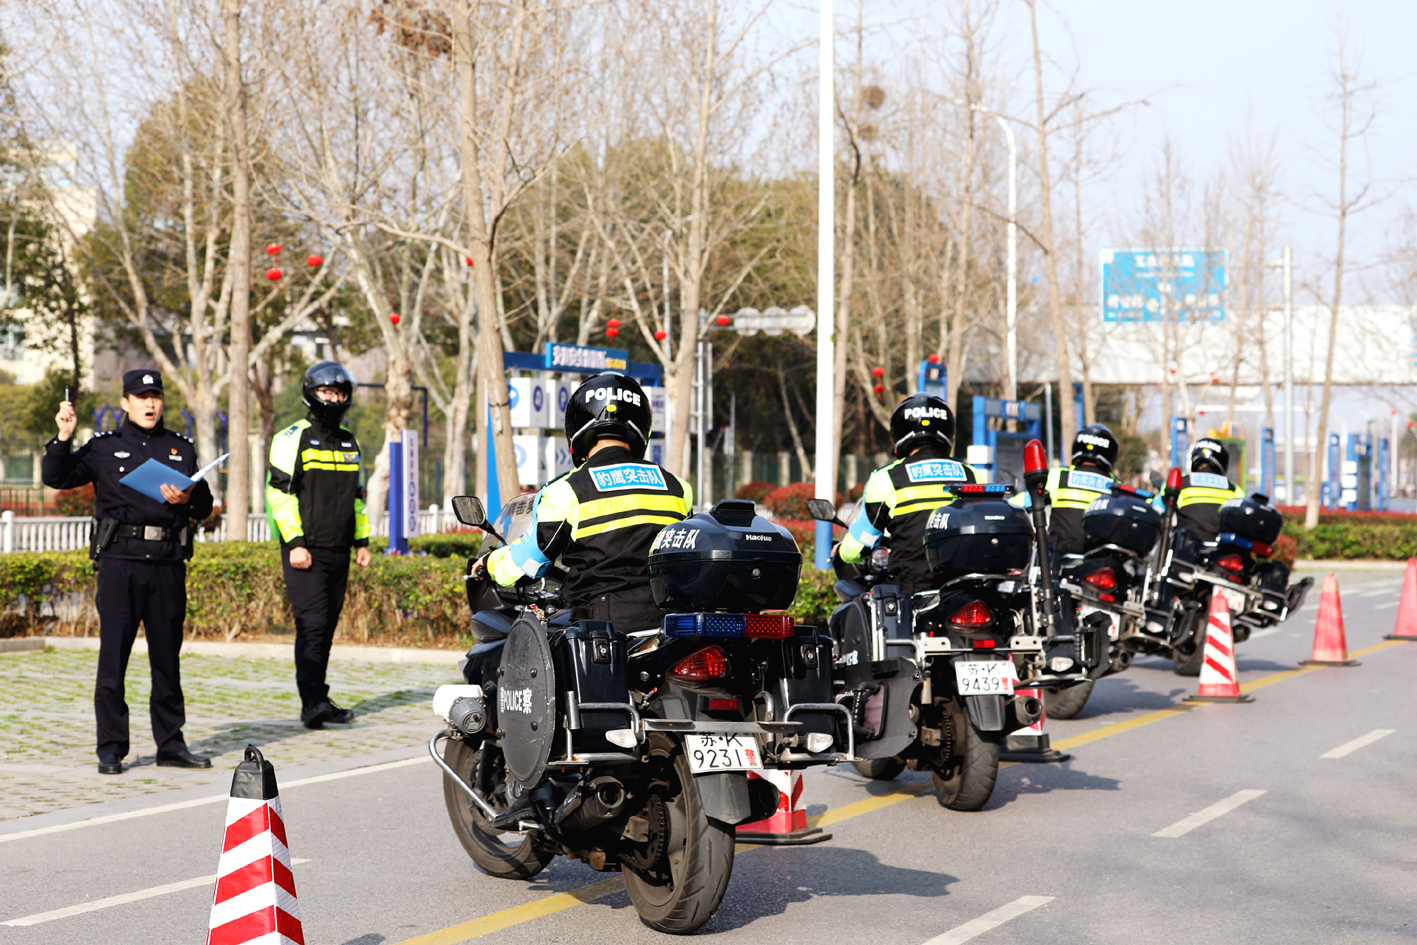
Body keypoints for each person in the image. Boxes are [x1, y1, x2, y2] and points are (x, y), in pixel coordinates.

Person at [43, 370, 215, 775]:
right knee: (113, 658)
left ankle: (171, 744)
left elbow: (204, 504)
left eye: (155, 396)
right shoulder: (105, 446)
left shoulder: (180, 447)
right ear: (125, 403)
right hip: (121, 562)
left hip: (168, 562)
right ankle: (111, 748)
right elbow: (57, 476)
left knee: (167, 660)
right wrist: (64, 437)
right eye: (141, 397)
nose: (149, 403)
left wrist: (188, 499)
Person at [476, 372, 692, 631]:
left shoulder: (566, 490)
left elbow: (529, 561)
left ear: (576, 426)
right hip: (669, 626)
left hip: (600, 627)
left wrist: (489, 563)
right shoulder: (678, 488)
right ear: (642, 423)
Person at [266, 361, 372, 729]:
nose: (334, 398)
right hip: (304, 550)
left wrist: (362, 541)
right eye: (327, 391)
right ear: (312, 393)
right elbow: (280, 495)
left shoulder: (349, 442)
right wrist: (295, 543)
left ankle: (320, 697)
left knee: (326, 628)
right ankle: (311, 703)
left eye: (340, 393)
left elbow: (356, 498)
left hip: (339, 550)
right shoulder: (290, 437)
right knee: (312, 625)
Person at [837, 394, 979, 595]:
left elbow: (862, 543)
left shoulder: (887, 478)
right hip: (964, 588)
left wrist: (841, 552)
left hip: (911, 591)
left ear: (899, 433)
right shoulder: (972, 474)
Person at [1013, 424, 1122, 556]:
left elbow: (1023, 501)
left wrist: (1002, 502)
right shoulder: (1117, 486)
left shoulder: (1058, 476)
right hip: (1099, 559)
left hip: (1058, 557)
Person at [1174, 438, 1246, 541]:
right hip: (1222, 547)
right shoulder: (1234, 489)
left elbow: (1158, 507)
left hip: (1185, 546)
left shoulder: (1179, 481)